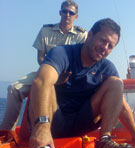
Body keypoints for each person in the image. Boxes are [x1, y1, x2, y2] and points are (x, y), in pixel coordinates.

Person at [29, 18, 135, 148]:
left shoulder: (107, 68)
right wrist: (42, 126)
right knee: (47, 82)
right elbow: (41, 82)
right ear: (90, 35)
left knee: (116, 83)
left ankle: (104, 143)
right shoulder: (62, 53)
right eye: (103, 40)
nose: (105, 48)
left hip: (82, 122)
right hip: (54, 120)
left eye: (110, 46)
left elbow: (121, 104)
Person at [0, 0, 87, 131]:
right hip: (46, 72)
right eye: (65, 11)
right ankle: (6, 133)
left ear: (76, 16)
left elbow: (82, 61)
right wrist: (51, 72)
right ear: (60, 13)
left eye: (71, 12)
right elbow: (40, 58)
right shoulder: (46, 31)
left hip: (70, 76)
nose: (67, 14)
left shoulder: (82, 35)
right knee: (14, 88)